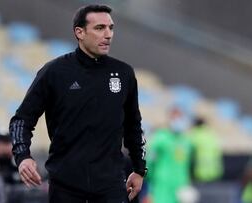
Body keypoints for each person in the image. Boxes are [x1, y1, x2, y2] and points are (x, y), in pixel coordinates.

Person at [8, 4, 147, 203]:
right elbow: (21, 120)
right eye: (100, 28)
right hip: (66, 187)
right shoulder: (54, 72)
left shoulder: (124, 73)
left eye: (111, 28)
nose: (108, 34)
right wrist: (23, 157)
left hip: (111, 186)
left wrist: (139, 170)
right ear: (79, 32)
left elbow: (134, 127)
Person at [146, 107, 194, 203]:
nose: (178, 121)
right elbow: (149, 160)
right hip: (162, 184)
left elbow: (188, 165)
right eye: (175, 118)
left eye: (180, 118)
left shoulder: (186, 141)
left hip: (181, 184)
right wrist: (149, 176)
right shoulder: (160, 138)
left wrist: (188, 183)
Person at [188, 118, 223, 183]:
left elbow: (188, 151)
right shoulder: (211, 134)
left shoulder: (195, 135)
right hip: (214, 171)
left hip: (200, 173)